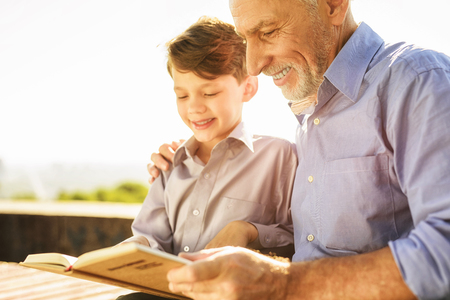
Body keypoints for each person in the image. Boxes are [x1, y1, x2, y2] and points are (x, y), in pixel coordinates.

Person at [149, 0, 450, 299]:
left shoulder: (418, 81)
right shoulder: (311, 115)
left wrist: (282, 284)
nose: (253, 64)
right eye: (245, 39)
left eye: (267, 31)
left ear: (332, 6)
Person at [117, 16, 298, 299]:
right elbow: (151, 238)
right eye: (182, 96)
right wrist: (126, 253)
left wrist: (248, 231)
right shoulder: (170, 164)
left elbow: (300, 238)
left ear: (248, 88)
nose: (195, 108)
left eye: (210, 92)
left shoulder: (280, 157)